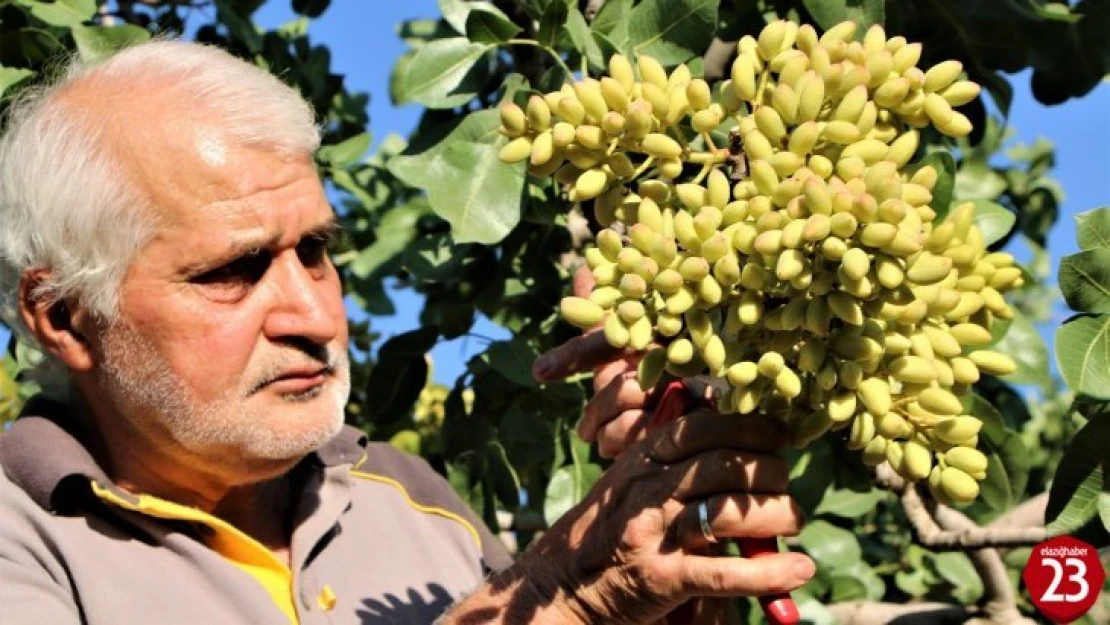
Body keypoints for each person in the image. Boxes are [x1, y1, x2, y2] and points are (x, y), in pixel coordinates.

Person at [0, 39, 813, 624]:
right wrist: (559, 593)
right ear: (66, 317)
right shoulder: (20, 537)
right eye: (232, 272)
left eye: (315, 250)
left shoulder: (407, 492)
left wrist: (671, 578)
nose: (317, 316)